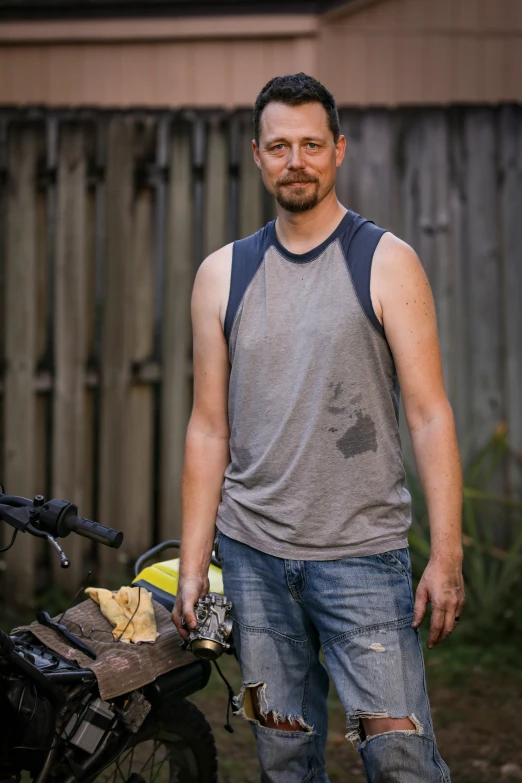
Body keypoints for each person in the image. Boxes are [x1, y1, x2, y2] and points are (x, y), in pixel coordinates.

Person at [173, 73, 464, 782]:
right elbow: (209, 428)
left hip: (363, 560)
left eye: (310, 143)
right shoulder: (222, 275)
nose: (295, 159)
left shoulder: (386, 261)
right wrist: (193, 558)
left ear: (338, 150)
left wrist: (446, 554)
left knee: (399, 759)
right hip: (252, 564)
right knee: (283, 755)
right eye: (279, 145)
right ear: (257, 154)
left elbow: (429, 415)